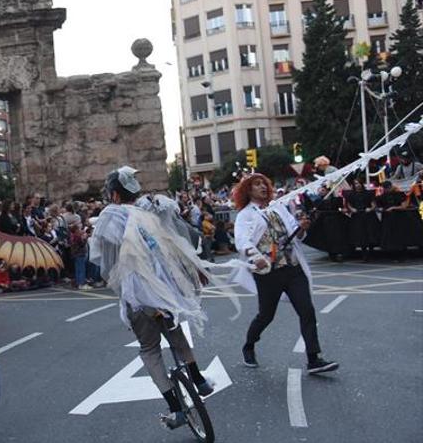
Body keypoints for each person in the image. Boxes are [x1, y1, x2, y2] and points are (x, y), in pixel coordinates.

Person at [89, 166, 215, 430]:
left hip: (138, 292)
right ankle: (198, 378)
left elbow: (108, 263)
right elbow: (180, 237)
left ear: (114, 195)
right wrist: (195, 268)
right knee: (176, 334)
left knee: (150, 349)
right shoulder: (153, 208)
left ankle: (175, 409)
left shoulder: (111, 216)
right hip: (165, 287)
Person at [233, 173, 339, 375]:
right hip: (268, 273)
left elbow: (295, 232)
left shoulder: (278, 207)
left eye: (264, 183)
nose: (263, 187)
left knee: (307, 311)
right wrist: (257, 257)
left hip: (292, 267)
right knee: (266, 315)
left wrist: (301, 228)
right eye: (257, 185)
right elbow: (242, 242)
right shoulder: (244, 215)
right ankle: (249, 345)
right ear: (248, 190)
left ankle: (313, 359)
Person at [343, 178, 380, 261]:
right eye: (356, 183)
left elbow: (373, 204)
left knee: (370, 234)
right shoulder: (351, 194)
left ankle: (371, 251)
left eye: (359, 183)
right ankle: (364, 254)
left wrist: (370, 209)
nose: (358, 185)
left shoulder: (368, 193)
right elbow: (348, 204)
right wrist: (352, 209)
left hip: (368, 216)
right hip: (357, 216)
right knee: (360, 235)